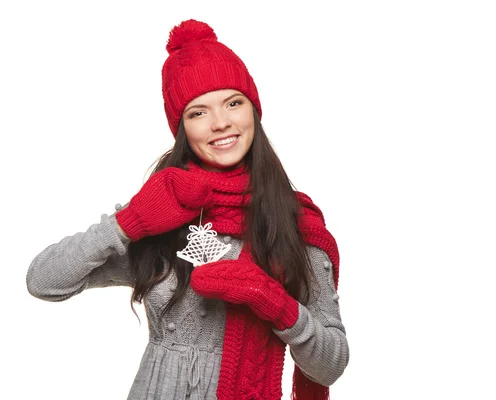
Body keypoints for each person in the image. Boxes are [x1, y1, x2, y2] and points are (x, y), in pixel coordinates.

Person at [26, 19, 348, 400]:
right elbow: (43, 282)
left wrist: (273, 301)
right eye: (198, 112)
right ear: (182, 127)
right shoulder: (162, 210)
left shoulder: (294, 224)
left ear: (253, 110)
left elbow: (332, 364)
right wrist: (127, 224)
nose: (221, 122)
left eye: (233, 103)